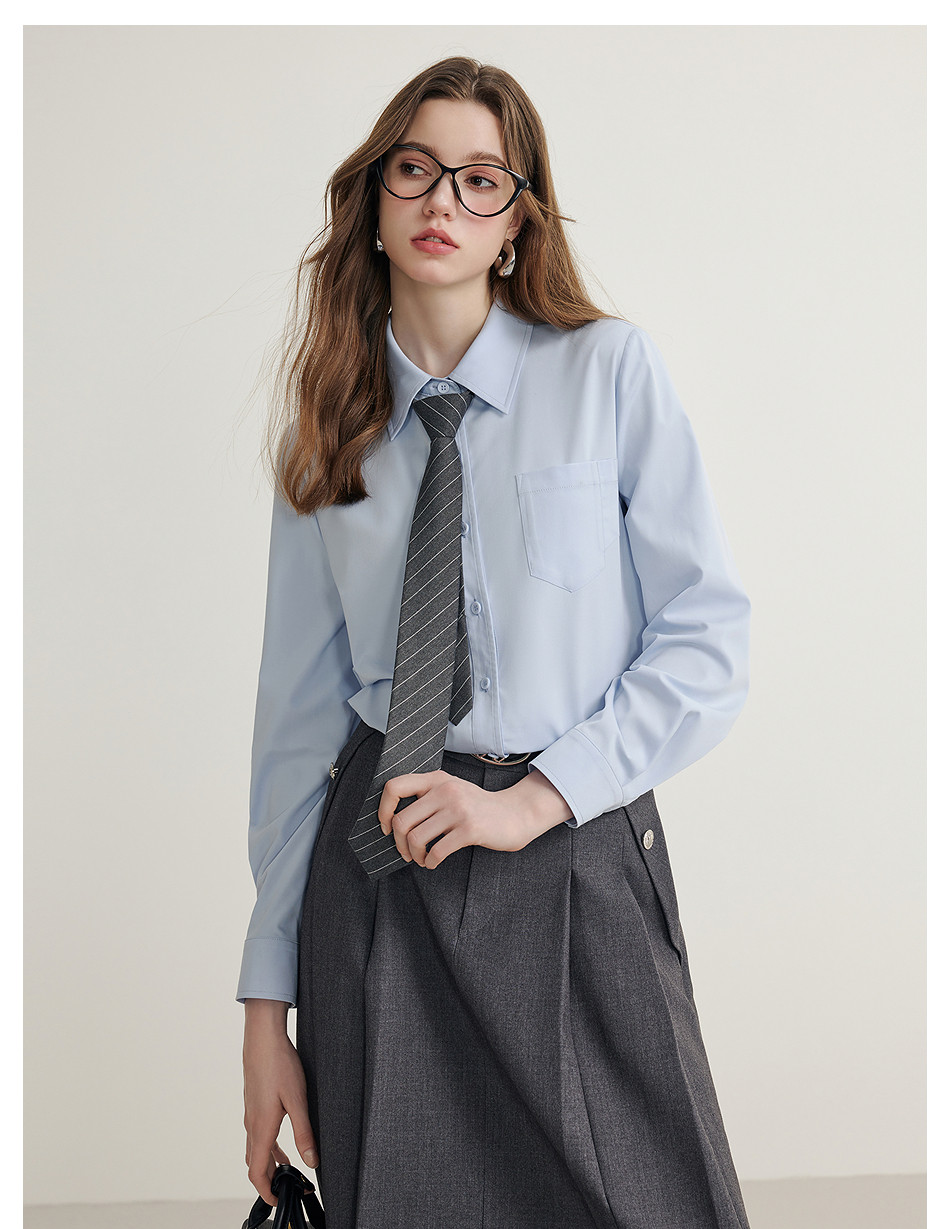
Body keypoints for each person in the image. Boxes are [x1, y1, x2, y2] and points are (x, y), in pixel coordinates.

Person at [238, 55, 753, 1229]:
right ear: (373, 199)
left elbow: (705, 640)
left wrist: (531, 798)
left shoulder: (606, 369)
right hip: (382, 865)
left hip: (570, 846)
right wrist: (266, 1007)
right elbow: (295, 727)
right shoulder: (328, 423)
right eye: (414, 170)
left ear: (518, 221)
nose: (442, 202)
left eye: (479, 180)